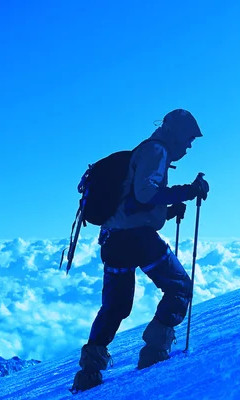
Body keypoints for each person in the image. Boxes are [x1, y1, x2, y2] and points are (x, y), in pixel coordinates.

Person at [71, 109, 210, 393]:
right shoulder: (156, 151)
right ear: (174, 132)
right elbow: (145, 194)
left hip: (113, 240)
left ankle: (89, 372)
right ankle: (154, 354)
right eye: (188, 138)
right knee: (180, 287)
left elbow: (133, 205)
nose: (189, 145)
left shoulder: (147, 151)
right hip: (137, 239)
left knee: (116, 306)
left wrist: (169, 210)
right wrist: (188, 191)